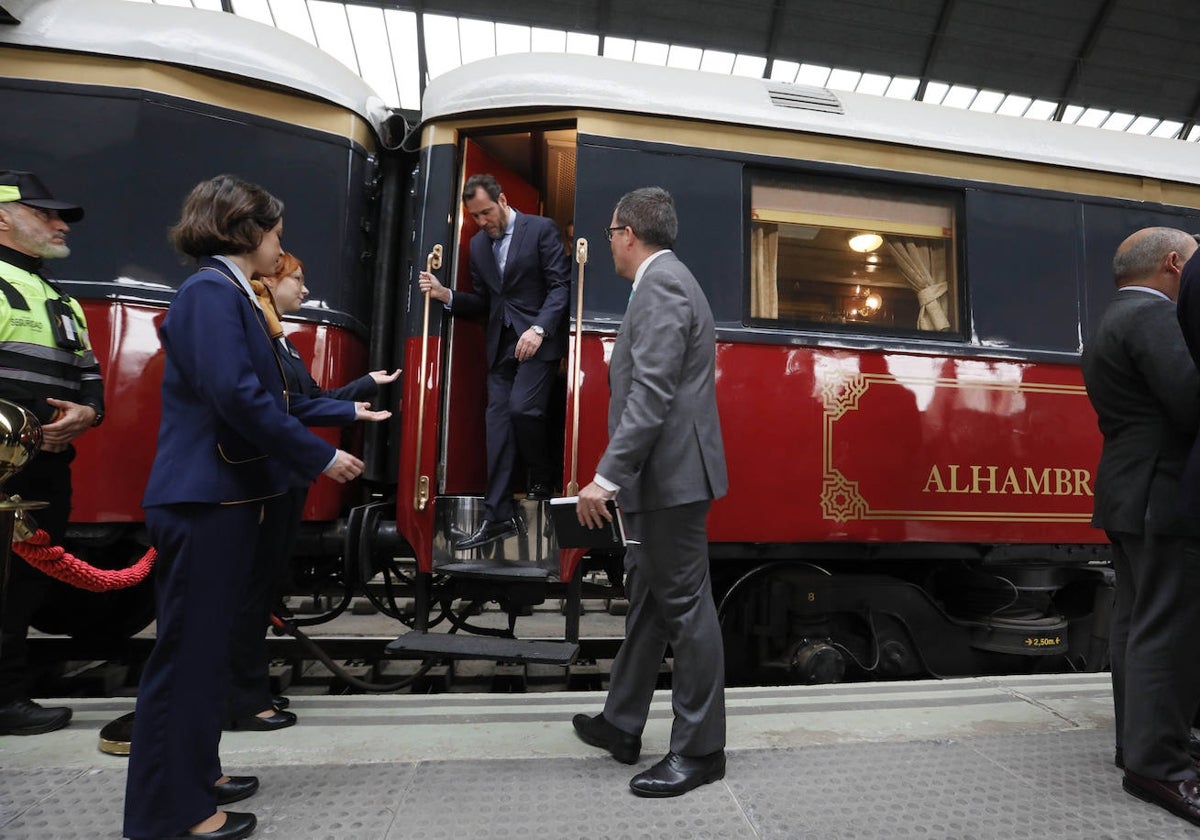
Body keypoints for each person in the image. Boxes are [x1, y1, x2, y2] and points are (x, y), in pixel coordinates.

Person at [123, 175, 365, 840]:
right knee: (188, 658)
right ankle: (170, 813)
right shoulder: (209, 292)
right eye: (276, 233)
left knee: (206, 653)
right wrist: (319, 456)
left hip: (220, 496)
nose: (279, 245)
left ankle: (199, 777)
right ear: (246, 229)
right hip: (204, 498)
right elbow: (238, 396)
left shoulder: (223, 292)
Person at [571, 187, 728, 798]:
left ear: (628, 233)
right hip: (664, 478)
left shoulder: (662, 284)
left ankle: (700, 751)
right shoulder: (666, 282)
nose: (607, 241)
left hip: (670, 480)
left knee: (686, 609)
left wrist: (606, 477)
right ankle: (621, 722)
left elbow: (653, 392)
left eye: (610, 231)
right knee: (651, 601)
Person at [224, 252, 397, 732]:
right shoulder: (263, 338)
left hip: (284, 480)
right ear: (268, 282)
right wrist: (327, 452)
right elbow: (280, 409)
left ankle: (248, 690)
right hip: (267, 480)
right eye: (296, 279)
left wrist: (363, 390)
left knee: (262, 589)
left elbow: (303, 401)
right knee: (250, 591)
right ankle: (242, 699)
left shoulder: (281, 342)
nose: (304, 289)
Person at [1082, 226, 1200, 828]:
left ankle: (1139, 745)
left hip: (1126, 489)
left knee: (1134, 623)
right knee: (1166, 627)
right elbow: (1189, 401)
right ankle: (1160, 764)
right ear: (1175, 265)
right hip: (1160, 490)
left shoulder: (1112, 316)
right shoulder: (1153, 317)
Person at [0, 170, 103, 736]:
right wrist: (45, 420)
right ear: (3, 217)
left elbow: (88, 373)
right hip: (6, 463)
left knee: (24, 583)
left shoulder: (61, 298)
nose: (61, 224)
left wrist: (88, 412)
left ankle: (7, 694)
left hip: (41, 466)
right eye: (45, 214)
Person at [418, 173, 571, 549]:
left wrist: (539, 330)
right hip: (500, 347)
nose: (482, 221)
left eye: (486, 212)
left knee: (523, 410)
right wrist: (446, 295)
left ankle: (543, 473)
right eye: (475, 216)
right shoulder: (477, 245)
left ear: (503, 201)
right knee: (497, 429)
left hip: (538, 341)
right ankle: (498, 516)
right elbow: (487, 303)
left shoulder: (541, 230)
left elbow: (560, 286)